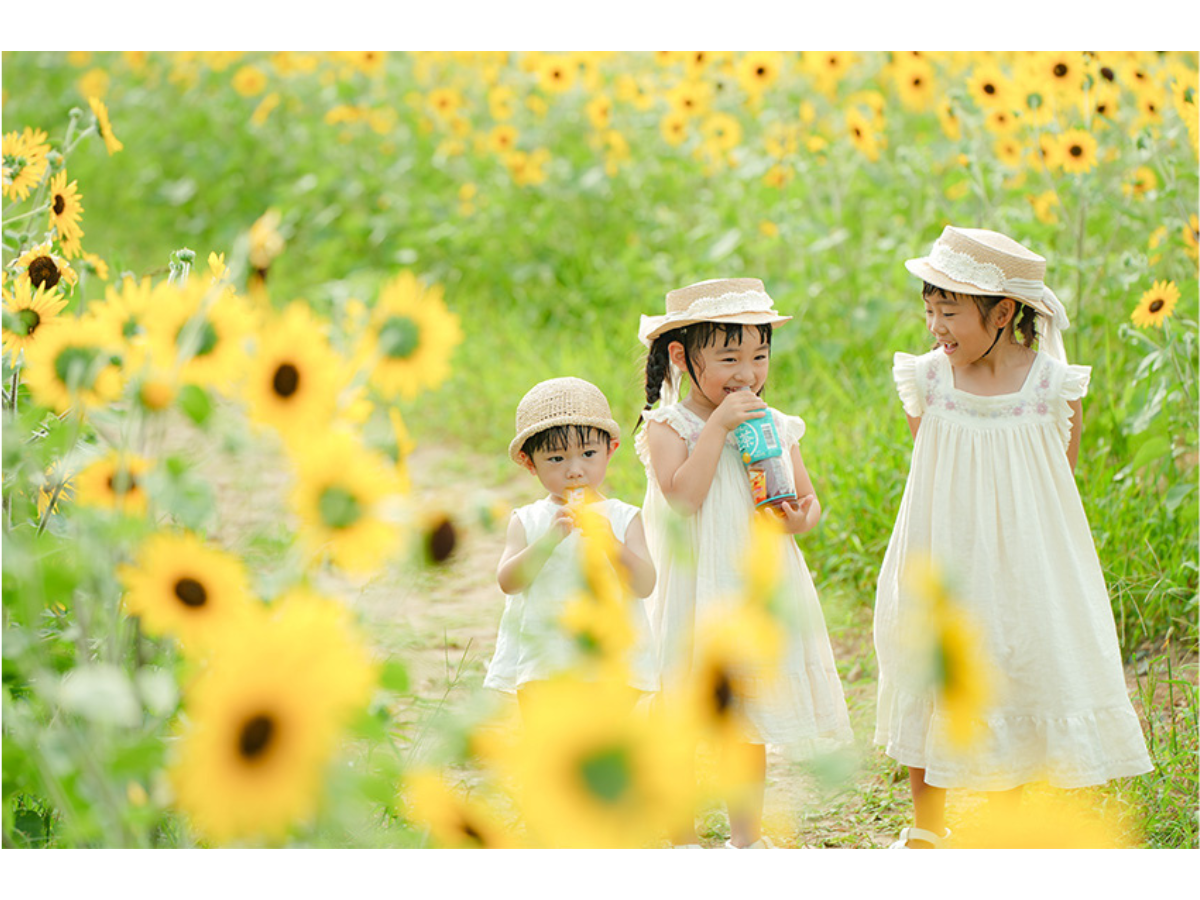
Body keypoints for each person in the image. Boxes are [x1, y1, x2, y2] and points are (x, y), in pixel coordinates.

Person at [874, 226, 1153, 849]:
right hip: (942, 549)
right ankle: (926, 825)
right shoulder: (929, 379)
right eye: (930, 310)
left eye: (950, 312)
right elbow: (932, 465)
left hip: (1025, 560)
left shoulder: (1052, 387)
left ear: (1003, 313)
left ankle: (1010, 818)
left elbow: (1058, 475)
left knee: (1017, 662)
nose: (935, 327)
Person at [636, 277, 853, 849]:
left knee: (745, 718)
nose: (748, 373)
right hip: (692, 586)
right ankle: (681, 840)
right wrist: (718, 427)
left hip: (752, 587)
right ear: (682, 356)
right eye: (729, 357)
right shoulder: (668, 427)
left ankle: (745, 841)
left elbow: (806, 502)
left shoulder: (775, 424)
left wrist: (799, 518)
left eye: (759, 356)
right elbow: (682, 498)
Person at [483, 377, 658, 711]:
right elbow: (508, 582)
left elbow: (645, 584)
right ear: (528, 462)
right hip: (545, 664)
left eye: (588, 453)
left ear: (611, 450)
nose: (575, 470)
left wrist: (609, 542)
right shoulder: (529, 520)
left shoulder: (623, 518)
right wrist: (549, 541)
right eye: (556, 459)